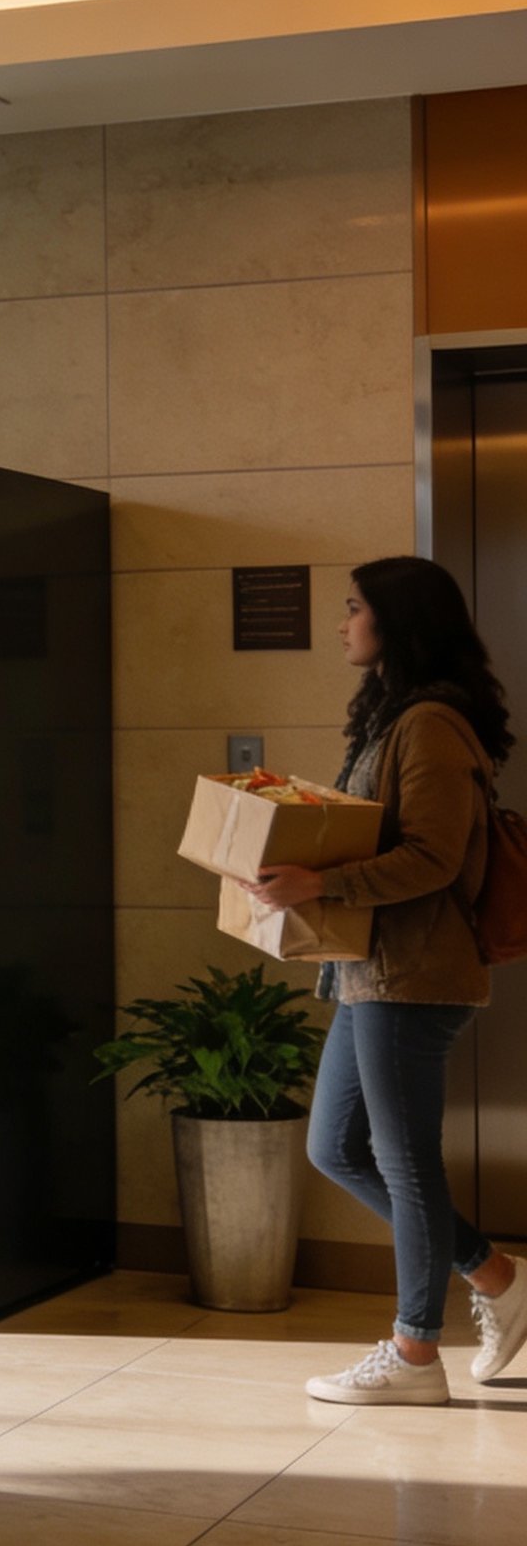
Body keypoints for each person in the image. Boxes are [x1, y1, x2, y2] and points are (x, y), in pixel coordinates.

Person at [244, 556, 527, 1404]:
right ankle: (500, 1279)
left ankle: (415, 1355)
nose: (343, 623)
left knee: (406, 1167)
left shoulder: (430, 723)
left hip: (414, 976)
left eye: (355, 608)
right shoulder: (398, 717)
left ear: (396, 623)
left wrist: (321, 883)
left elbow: (432, 858)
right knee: (335, 1148)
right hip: (373, 974)